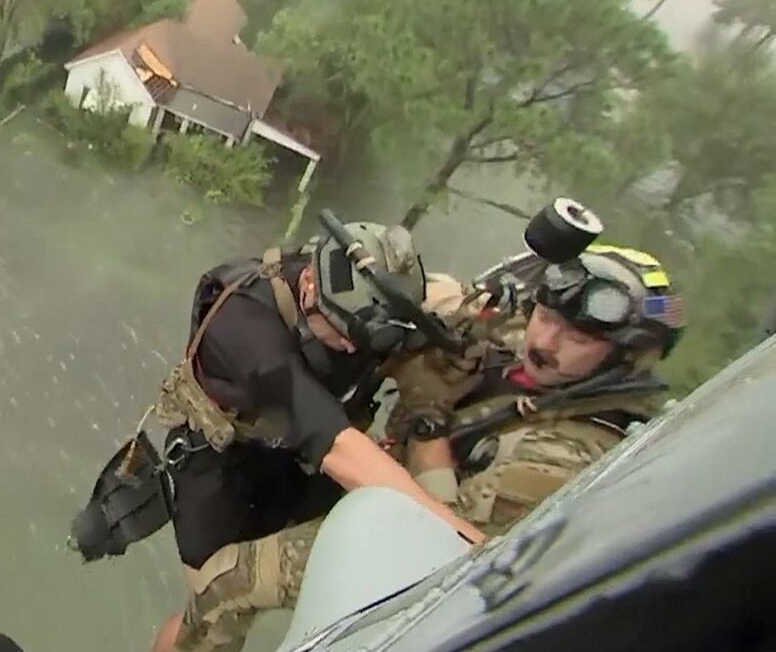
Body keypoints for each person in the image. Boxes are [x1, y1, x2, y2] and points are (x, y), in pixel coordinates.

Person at [147, 220, 485, 652]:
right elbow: (338, 446)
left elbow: (443, 300)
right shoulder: (247, 329)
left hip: (302, 463)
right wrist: (463, 541)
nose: (349, 347)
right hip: (225, 466)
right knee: (209, 603)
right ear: (308, 282)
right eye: (342, 332)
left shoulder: (364, 298)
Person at [393, 244, 684, 536]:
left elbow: (452, 546)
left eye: (578, 339)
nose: (545, 343)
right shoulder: (535, 350)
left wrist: (426, 420)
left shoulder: (570, 456)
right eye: (545, 317)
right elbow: (461, 301)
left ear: (624, 359)